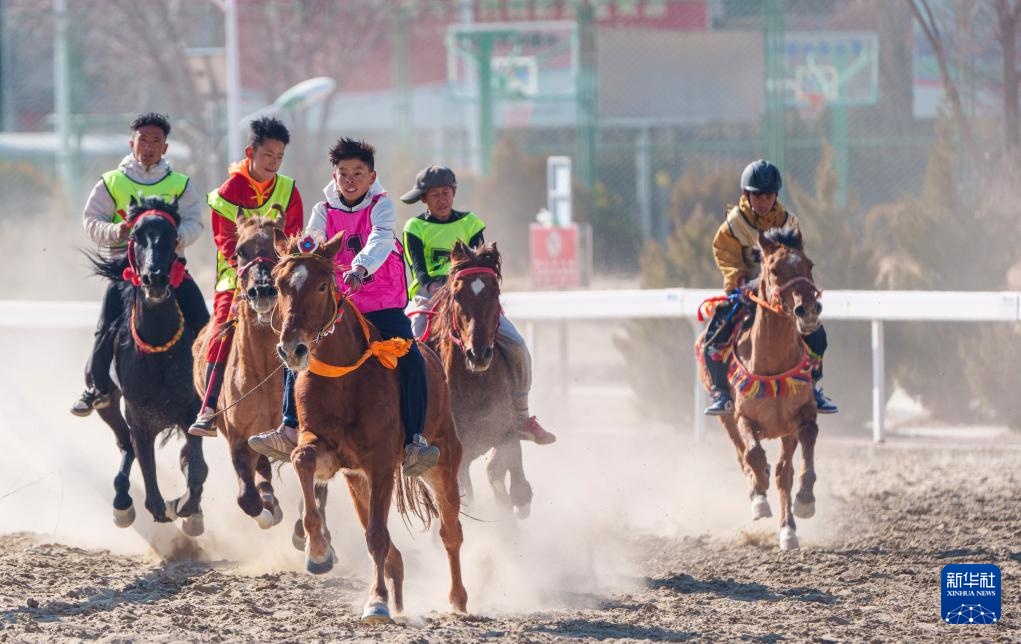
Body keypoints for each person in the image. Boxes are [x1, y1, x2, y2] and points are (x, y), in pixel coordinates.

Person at [248, 138, 440, 476]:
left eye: (358, 173)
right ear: (334, 177)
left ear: (371, 176)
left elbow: (381, 239)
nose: (350, 180)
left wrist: (361, 267)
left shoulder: (382, 205)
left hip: (380, 301)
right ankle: (290, 427)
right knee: (298, 345)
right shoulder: (322, 210)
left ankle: (415, 439)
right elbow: (312, 241)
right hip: (336, 303)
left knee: (410, 355)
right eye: (343, 173)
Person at [401, 165, 556, 445]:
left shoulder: (471, 223)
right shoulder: (415, 227)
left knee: (518, 346)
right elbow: (418, 270)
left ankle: (522, 416)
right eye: (435, 194)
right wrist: (440, 288)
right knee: (410, 347)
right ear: (424, 199)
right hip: (429, 296)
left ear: (454, 193)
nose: (442, 199)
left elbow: (480, 263)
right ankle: (410, 419)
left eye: (446, 193)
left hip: (471, 298)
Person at [72, 113, 207, 417]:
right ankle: (97, 388)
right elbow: (91, 220)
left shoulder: (179, 183)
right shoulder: (112, 182)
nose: (148, 147)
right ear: (131, 142)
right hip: (126, 271)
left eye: (155, 141)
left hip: (171, 269)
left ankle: (211, 389)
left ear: (165, 147)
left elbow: (195, 222)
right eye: (143, 140)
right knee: (106, 325)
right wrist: (115, 232)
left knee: (201, 319)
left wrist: (177, 238)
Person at [187, 116, 304, 436]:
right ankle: (210, 406)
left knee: (306, 322)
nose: (274, 163)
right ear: (250, 152)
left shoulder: (289, 190)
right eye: (268, 155)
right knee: (222, 326)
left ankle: (312, 404)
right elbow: (225, 241)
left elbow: (293, 237)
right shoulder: (228, 191)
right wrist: (250, 272)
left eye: (279, 157)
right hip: (237, 273)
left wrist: (279, 270)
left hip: (279, 274)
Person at [702, 159, 838, 416]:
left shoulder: (789, 222)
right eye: (758, 196)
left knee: (816, 335)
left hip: (780, 294)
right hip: (745, 291)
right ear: (746, 195)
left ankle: (813, 388)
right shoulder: (734, 224)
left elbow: (797, 259)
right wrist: (736, 279)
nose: (764, 202)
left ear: (776, 195)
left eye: (768, 196)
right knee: (715, 336)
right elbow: (723, 252)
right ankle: (721, 392)